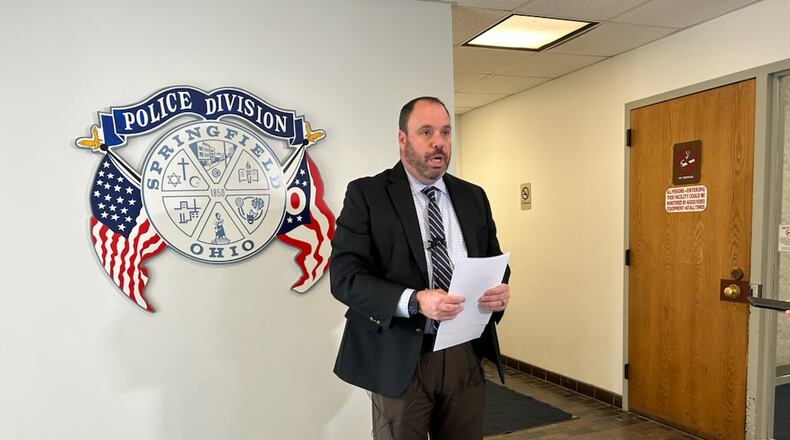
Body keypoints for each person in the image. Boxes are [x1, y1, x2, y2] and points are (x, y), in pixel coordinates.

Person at [330, 96, 510, 440]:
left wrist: (499, 292)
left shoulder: (474, 197)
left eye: (445, 132)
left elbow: (495, 263)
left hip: (463, 353)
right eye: (425, 132)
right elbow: (344, 279)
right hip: (400, 358)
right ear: (402, 139)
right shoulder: (367, 195)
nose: (438, 141)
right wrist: (414, 301)